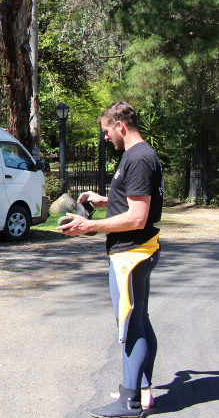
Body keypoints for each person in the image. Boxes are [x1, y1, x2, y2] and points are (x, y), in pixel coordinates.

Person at [60, 101, 163, 418]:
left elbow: (137, 217)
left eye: (106, 131)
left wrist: (88, 225)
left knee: (130, 326)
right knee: (140, 320)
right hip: (134, 250)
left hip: (131, 254)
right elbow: (133, 202)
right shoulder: (135, 157)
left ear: (120, 124)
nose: (105, 138)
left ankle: (129, 400)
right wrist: (103, 200)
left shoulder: (139, 158)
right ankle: (140, 390)